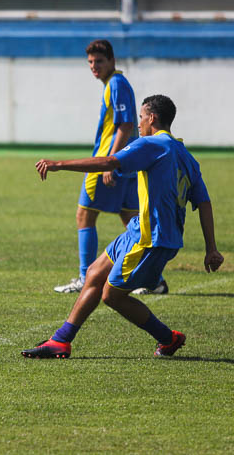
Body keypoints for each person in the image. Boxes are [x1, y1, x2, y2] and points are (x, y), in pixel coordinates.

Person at [22, 95, 223, 359]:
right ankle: (60, 341)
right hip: (139, 231)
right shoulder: (186, 156)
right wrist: (211, 248)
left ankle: (168, 338)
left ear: (152, 118)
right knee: (94, 273)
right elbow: (204, 202)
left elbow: (110, 162)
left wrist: (59, 164)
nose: (139, 123)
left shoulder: (152, 144)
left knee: (111, 296)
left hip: (152, 239)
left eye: (141, 117)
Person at [54, 39, 167, 296]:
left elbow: (125, 126)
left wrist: (110, 163)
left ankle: (85, 278)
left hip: (110, 162)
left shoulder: (116, 84)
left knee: (85, 215)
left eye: (99, 61)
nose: (94, 66)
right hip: (127, 163)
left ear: (112, 61)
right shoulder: (115, 84)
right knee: (132, 221)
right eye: (91, 62)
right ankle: (155, 281)